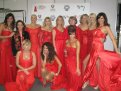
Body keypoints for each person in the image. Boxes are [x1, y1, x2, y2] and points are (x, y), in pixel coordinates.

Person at [82, 12, 121, 91]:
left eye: (102, 18)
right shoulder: (96, 26)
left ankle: (98, 83)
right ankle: (87, 80)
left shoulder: (106, 27)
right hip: (93, 49)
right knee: (85, 62)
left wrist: (117, 50)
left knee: (98, 67)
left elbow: (113, 39)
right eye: (99, 18)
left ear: (104, 19)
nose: (100, 19)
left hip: (99, 50)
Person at [0, 13, 16, 85]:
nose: (10, 19)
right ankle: (2, 78)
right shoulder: (2, 25)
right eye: (8, 18)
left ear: (13, 19)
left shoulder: (12, 27)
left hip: (9, 46)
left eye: (11, 18)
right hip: (3, 46)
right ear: (6, 18)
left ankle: (7, 77)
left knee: (8, 62)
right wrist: (9, 36)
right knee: (3, 62)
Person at [64, 25, 82, 91]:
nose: (72, 36)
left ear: (75, 34)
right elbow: (65, 51)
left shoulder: (77, 42)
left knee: (74, 73)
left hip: (75, 60)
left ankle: (75, 87)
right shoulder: (66, 41)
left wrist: (78, 68)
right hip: (67, 60)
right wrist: (65, 52)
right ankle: (70, 84)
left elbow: (77, 55)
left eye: (73, 34)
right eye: (70, 34)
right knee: (69, 74)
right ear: (68, 34)